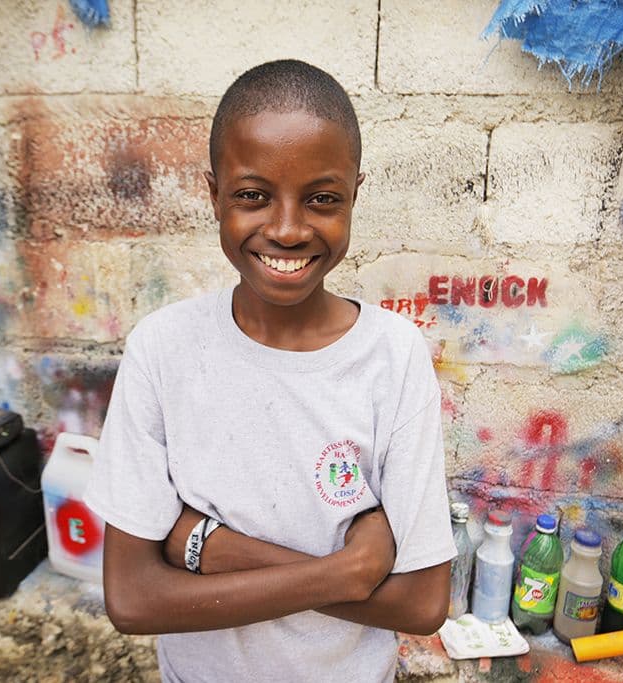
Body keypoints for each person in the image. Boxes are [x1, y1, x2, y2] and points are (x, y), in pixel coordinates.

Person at [83, 59, 455, 682]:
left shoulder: (393, 356)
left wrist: (207, 548)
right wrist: (350, 570)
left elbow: (421, 603)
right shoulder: (164, 349)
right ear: (213, 194)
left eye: (322, 199)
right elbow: (133, 598)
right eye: (253, 196)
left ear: (355, 195)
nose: (286, 229)